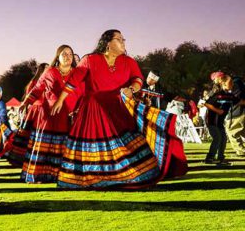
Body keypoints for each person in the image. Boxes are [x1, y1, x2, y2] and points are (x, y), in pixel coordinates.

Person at [51, 29, 187, 188]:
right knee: (94, 146)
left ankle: (127, 173)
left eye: (123, 39)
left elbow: (138, 79)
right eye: (119, 39)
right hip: (93, 111)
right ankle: (93, 176)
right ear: (108, 44)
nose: (123, 42)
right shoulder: (89, 60)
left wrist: (132, 89)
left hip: (118, 109)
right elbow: (73, 81)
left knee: (125, 145)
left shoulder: (129, 61)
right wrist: (60, 100)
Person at [10, 44, 79, 183]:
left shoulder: (77, 74)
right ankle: (38, 176)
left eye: (70, 54)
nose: (68, 56)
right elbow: (36, 89)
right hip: (48, 115)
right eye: (64, 54)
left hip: (67, 117)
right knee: (44, 146)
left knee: (62, 147)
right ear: (57, 57)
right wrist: (25, 102)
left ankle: (60, 176)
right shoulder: (50, 72)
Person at [203, 72, 235, 165]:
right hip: (213, 120)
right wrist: (217, 110)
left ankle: (220, 158)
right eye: (220, 78)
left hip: (219, 121)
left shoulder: (225, 92)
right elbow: (207, 102)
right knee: (217, 138)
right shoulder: (216, 91)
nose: (221, 79)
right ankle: (210, 158)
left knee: (223, 138)